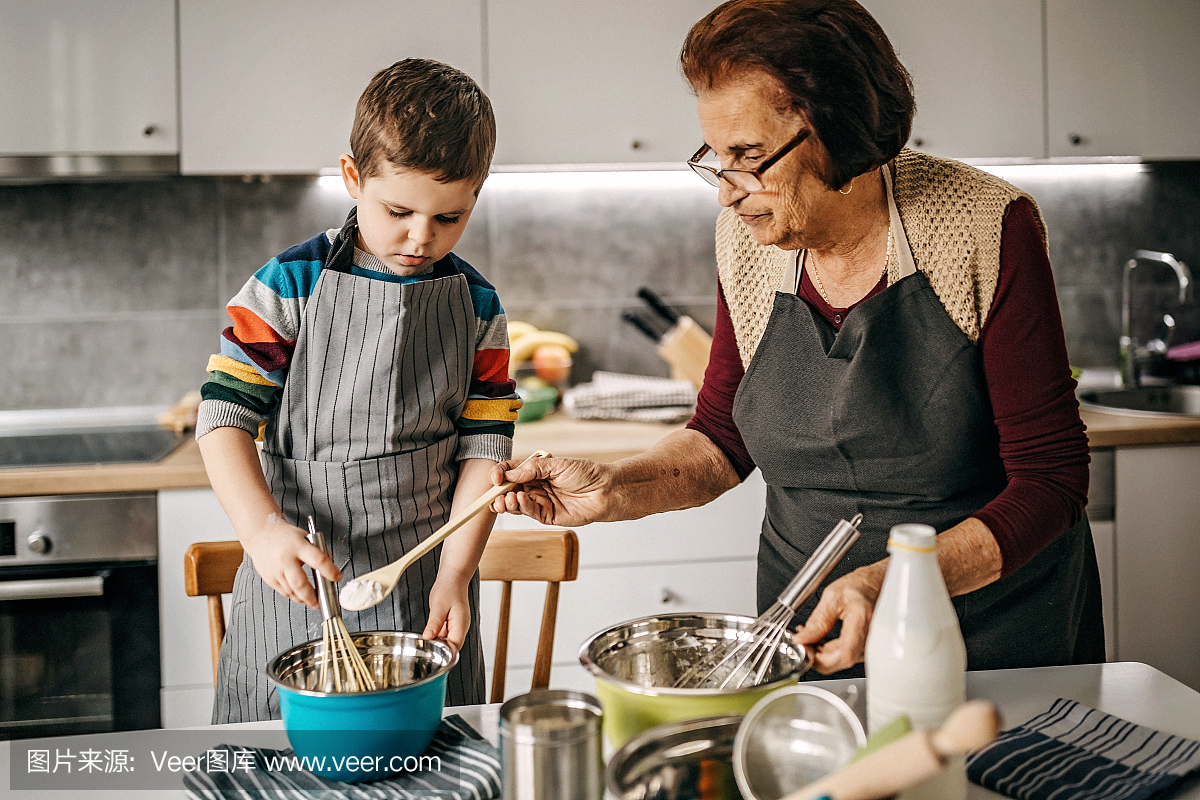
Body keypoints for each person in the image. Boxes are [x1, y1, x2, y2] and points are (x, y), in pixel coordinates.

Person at [490, 0, 1104, 679]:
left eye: (748, 156)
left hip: (991, 642)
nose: (727, 192)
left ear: (837, 129)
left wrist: (895, 581)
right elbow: (723, 437)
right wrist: (615, 488)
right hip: (807, 631)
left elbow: (1051, 481)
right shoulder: (748, 239)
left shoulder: (984, 225)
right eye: (718, 159)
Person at [196, 58, 521, 721]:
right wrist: (261, 534)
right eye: (398, 210)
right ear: (353, 178)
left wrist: (456, 576)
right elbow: (224, 415)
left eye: (449, 217)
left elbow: (486, 447)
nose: (420, 238)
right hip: (296, 583)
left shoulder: (479, 306)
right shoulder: (288, 285)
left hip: (430, 579)